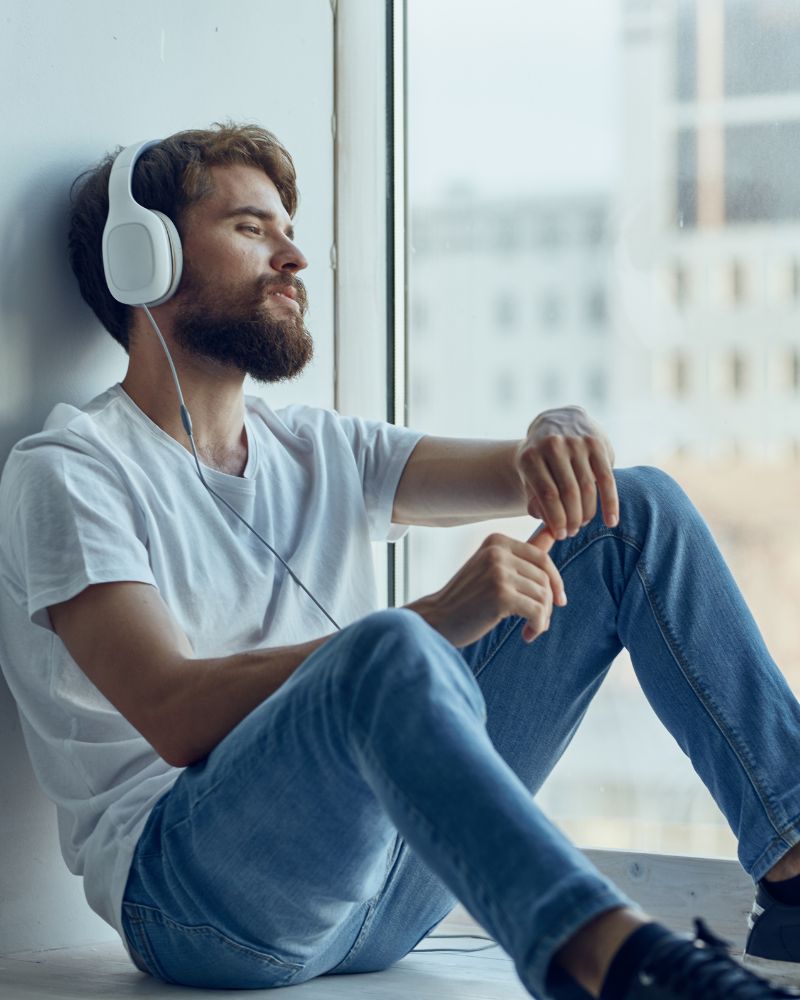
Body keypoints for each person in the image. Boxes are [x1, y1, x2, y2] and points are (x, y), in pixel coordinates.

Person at [1, 123, 799, 1000]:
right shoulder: (70, 471)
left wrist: (556, 430)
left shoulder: (317, 448)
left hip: (388, 890)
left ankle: (797, 868)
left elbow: (538, 472)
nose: (293, 256)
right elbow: (174, 714)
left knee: (633, 508)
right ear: (141, 260)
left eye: (288, 228)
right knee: (387, 646)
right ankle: (612, 962)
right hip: (202, 900)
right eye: (251, 228)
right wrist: (434, 619)